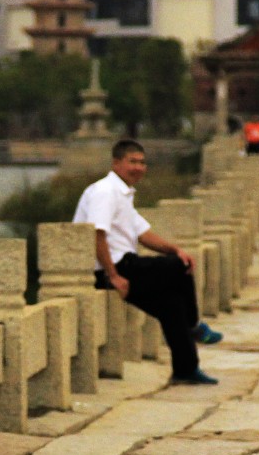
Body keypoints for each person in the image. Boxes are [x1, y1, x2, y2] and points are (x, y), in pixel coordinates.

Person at [73, 139, 223, 385]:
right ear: (116, 163)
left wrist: (175, 249)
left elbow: (143, 235)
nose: (139, 167)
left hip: (126, 267)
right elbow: (95, 234)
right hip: (114, 270)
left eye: (142, 162)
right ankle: (195, 326)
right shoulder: (105, 192)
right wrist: (113, 276)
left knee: (172, 305)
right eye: (132, 161)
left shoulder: (123, 194)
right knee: (179, 267)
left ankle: (185, 371)